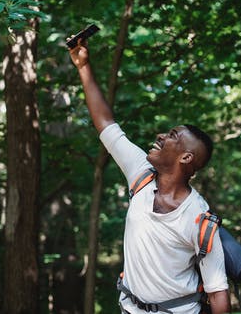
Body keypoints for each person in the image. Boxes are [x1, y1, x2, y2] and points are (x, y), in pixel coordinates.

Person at [68, 39, 230, 314]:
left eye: (172, 136)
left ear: (186, 158)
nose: (161, 136)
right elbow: (107, 125)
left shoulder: (199, 219)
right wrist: (83, 65)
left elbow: (218, 296)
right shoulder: (141, 174)